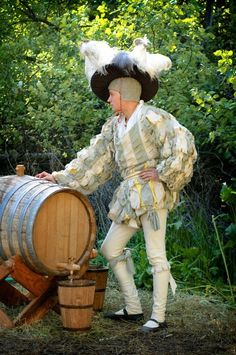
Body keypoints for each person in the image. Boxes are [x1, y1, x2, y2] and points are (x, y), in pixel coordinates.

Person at [36, 38, 197, 333]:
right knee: (110, 249)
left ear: (124, 93)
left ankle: (157, 316)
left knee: (155, 255)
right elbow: (92, 160)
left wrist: (161, 172)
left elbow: (183, 145)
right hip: (128, 196)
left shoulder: (154, 118)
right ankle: (133, 307)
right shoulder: (113, 128)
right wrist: (58, 177)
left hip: (152, 195)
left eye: (111, 95)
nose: (108, 101)